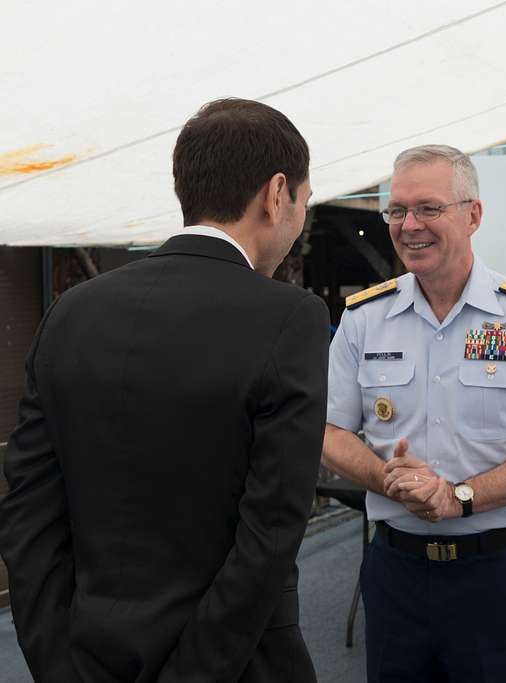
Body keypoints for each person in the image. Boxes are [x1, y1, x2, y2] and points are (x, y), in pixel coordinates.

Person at [0, 98, 329, 682]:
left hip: (84, 657)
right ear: (276, 193)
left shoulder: (72, 311)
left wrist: (56, 662)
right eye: (304, 201)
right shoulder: (288, 317)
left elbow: (27, 513)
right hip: (237, 667)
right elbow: (270, 531)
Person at [321, 144, 506, 682]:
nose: (409, 225)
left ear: (473, 215)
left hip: (499, 576)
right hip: (397, 572)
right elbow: (329, 433)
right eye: (397, 211)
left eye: (428, 208)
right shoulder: (364, 318)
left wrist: (458, 498)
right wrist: (389, 479)